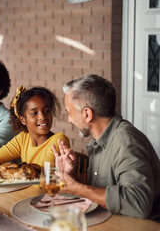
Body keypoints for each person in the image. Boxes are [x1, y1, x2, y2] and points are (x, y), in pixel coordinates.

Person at [53, 74, 160, 222]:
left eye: (69, 113)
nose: (69, 119)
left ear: (87, 114)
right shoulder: (100, 140)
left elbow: (138, 204)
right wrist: (72, 178)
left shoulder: (127, 142)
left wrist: (78, 188)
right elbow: (97, 195)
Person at [0, 86, 70, 171]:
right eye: (34, 113)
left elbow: (44, 172)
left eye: (46, 111)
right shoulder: (23, 138)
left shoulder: (59, 140)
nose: (42, 117)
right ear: (23, 119)